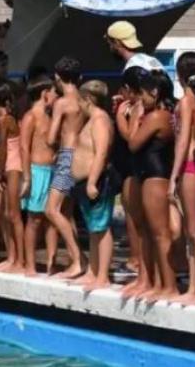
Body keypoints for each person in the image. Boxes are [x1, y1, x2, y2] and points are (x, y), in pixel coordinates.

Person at [119, 70, 177, 302]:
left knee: (160, 233)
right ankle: (151, 280)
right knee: (147, 232)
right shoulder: (155, 114)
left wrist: (132, 117)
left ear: (154, 92)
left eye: (142, 94)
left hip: (156, 176)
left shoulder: (157, 116)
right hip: (147, 175)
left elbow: (133, 143)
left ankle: (168, 285)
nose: (140, 100)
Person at [169, 53, 195, 305]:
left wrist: (173, 176)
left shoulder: (187, 101)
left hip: (189, 165)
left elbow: (183, 140)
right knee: (192, 229)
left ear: (179, 74)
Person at [71, 80, 118, 292]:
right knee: (93, 228)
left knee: (101, 227)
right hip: (84, 181)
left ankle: (103, 276)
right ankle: (93, 270)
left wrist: (91, 181)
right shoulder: (93, 119)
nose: (78, 106)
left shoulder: (100, 120)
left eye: (80, 101)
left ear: (88, 99)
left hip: (97, 180)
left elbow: (101, 152)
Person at [45, 56, 87, 279]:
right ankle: (79, 259)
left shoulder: (61, 103)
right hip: (80, 156)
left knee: (51, 210)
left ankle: (78, 260)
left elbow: (52, 138)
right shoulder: (84, 100)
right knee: (66, 213)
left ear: (58, 78)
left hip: (66, 158)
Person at [19, 74, 61, 276]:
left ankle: (52, 263)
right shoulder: (30, 117)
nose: (56, 96)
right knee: (34, 219)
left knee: (52, 219)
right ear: (45, 94)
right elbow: (24, 149)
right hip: (37, 172)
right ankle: (30, 264)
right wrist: (26, 177)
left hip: (52, 170)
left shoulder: (52, 116)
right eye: (54, 92)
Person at [0, 82, 25, 274]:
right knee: (5, 214)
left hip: (12, 166)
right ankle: (12, 257)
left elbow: (3, 148)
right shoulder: (2, 119)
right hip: (7, 165)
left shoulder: (5, 119)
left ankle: (20, 260)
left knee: (14, 215)